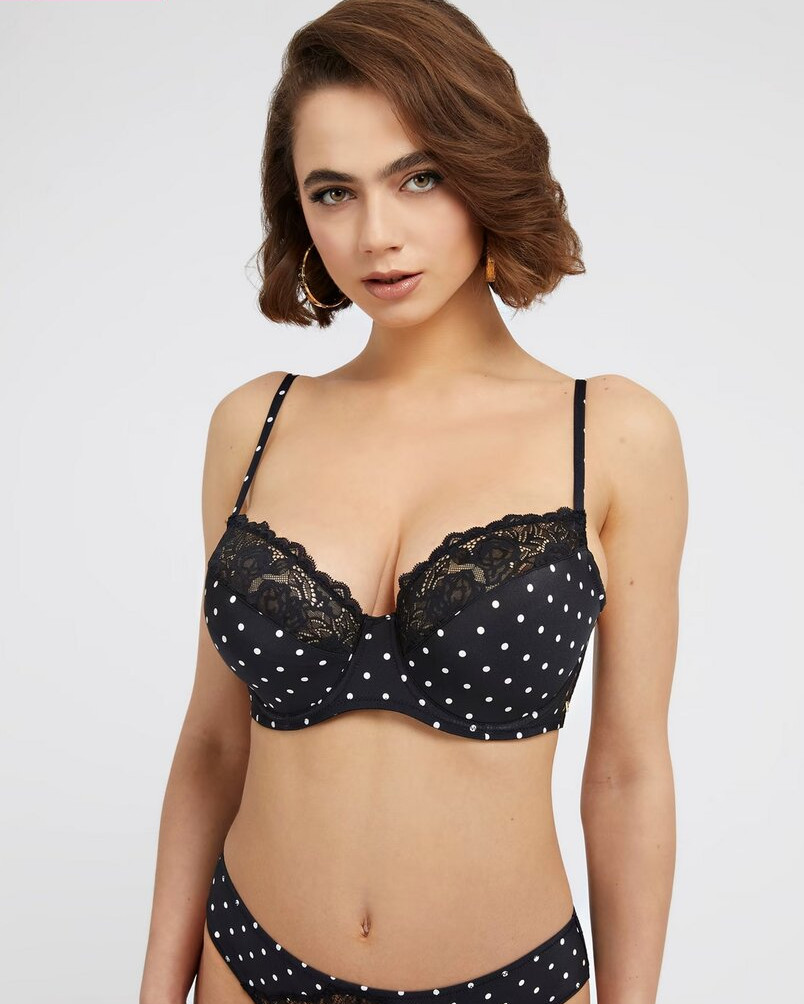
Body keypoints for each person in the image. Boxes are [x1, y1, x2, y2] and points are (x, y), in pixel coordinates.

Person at [139, 2, 687, 1003]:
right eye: (333, 192)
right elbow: (213, 743)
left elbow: (627, 771)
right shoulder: (254, 424)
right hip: (247, 966)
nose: (377, 236)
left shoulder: (609, 433)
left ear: (484, 168)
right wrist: (154, 990)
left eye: (419, 177)